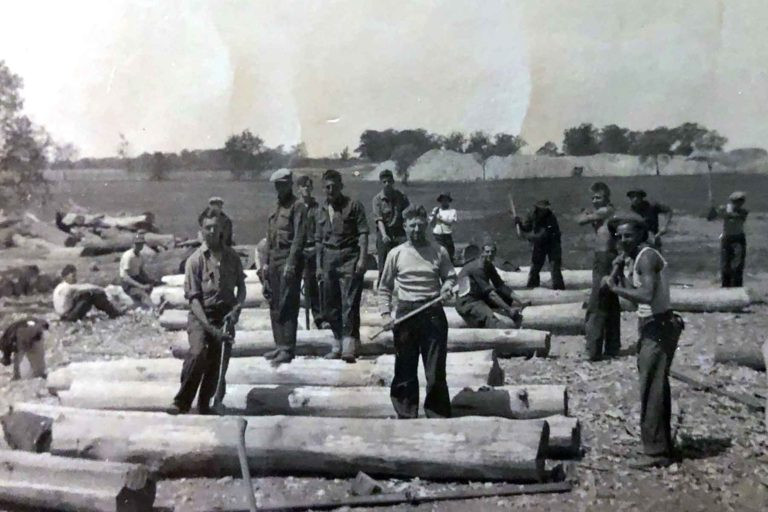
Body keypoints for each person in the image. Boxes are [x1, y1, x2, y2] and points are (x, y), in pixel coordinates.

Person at [603, 218, 684, 468]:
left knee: (651, 387)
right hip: (651, 325)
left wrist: (614, 289)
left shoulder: (647, 257)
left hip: (659, 326)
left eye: (628, 235)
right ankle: (662, 445)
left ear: (641, 234)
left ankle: (656, 452)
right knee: (656, 385)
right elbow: (636, 298)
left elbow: (647, 296)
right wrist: (619, 277)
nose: (623, 241)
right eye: (619, 236)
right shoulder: (636, 258)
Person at [379, 204, 457, 418]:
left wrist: (447, 287)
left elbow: (450, 276)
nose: (416, 230)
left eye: (420, 226)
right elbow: (384, 287)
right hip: (406, 314)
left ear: (426, 226)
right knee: (405, 368)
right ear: (404, 226)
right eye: (412, 226)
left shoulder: (438, 251)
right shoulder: (396, 253)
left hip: (432, 312)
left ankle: (438, 415)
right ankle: (406, 413)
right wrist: (386, 315)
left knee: (435, 371)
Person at [167, 212, 246, 415]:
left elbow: (242, 287)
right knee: (198, 352)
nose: (212, 231)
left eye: (215, 227)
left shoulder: (232, 257)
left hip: (224, 316)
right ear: (201, 231)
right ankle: (181, 402)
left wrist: (237, 309)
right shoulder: (194, 260)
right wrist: (210, 328)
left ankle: (206, 405)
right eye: (207, 227)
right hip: (200, 315)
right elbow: (193, 300)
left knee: (218, 362)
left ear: (222, 229)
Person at [316, 169, 369, 362]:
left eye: (334, 186)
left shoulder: (353, 206)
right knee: (330, 304)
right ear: (323, 188)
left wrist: (363, 258)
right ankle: (337, 341)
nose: (330, 190)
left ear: (341, 186)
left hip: (349, 256)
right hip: (329, 257)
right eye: (327, 187)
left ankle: (349, 345)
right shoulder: (320, 210)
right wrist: (319, 266)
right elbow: (318, 241)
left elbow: (363, 233)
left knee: (350, 302)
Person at [262, 169, 307, 366]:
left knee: (288, 302)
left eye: (282, 184)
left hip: (288, 258)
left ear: (289, 184)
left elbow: (299, 237)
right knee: (274, 301)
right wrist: (264, 263)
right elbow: (269, 236)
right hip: (273, 258)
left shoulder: (298, 207)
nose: (278, 188)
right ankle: (279, 344)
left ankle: (288, 347)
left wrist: (291, 262)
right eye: (276, 185)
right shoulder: (275, 207)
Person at [576, 182, 621, 361]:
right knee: (610, 301)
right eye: (593, 198)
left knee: (597, 302)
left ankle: (593, 350)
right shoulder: (602, 213)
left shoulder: (606, 211)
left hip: (604, 258)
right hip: (605, 257)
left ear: (607, 198)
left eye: (598, 197)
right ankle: (612, 346)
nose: (595, 201)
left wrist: (585, 213)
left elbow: (580, 220)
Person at [455, 239, 524, 328]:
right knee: (491, 320)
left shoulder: (488, 265)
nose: (490, 254)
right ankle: (509, 335)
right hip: (468, 302)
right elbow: (491, 294)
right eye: (487, 251)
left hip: (479, 295)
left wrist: (521, 300)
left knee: (506, 297)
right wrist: (509, 310)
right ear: (482, 252)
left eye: (492, 251)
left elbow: (500, 285)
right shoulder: (478, 268)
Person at [514, 199, 565, 289]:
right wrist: (519, 224)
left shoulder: (551, 218)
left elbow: (542, 235)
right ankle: (532, 287)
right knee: (535, 266)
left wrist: (526, 237)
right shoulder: (532, 215)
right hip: (540, 244)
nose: (543, 211)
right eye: (541, 209)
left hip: (553, 244)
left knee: (554, 268)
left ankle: (559, 289)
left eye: (544, 209)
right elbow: (527, 228)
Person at [296, 175, 325, 328]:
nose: (306, 189)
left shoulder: (317, 208)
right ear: (298, 189)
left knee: (314, 285)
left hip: (313, 248)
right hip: (298, 250)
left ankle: (318, 317)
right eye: (303, 186)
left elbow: (321, 229)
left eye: (308, 186)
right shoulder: (295, 207)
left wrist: (315, 248)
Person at [372, 169, 410, 285]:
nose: (387, 184)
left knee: (403, 258)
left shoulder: (401, 196)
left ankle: (404, 284)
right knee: (383, 261)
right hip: (384, 231)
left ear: (393, 181)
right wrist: (384, 235)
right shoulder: (377, 199)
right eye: (384, 182)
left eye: (389, 181)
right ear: (381, 183)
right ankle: (382, 285)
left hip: (399, 231)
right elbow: (379, 219)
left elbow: (407, 213)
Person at [53, 265, 123, 321]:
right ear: (65, 277)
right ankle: (113, 313)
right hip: (68, 317)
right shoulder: (68, 287)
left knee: (85, 294)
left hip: (63, 316)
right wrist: (103, 289)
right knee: (90, 294)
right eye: (73, 276)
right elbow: (86, 286)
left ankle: (112, 311)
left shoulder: (59, 287)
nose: (75, 278)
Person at [709, 191, 748, 288]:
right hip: (727, 238)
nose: (739, 203)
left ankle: (737, 286)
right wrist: (713, 210)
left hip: (738, 238)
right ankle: (725, 286)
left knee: (737, 265)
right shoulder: (725, 209)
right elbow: (710, 218)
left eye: (741, 201)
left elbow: (738, 217)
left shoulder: (743, 211)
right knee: (725, 264)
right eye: (737, 201)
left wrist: (724, 213)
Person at [119, 232, 158, 308]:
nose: (139, 246)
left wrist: (149, 280)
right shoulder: (128, 256)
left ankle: (143, 305)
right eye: (137, 244)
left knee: (151, 286)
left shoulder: (140, 256)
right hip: (127, 282)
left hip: (136, 277)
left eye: (141, 244)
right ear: (133, 244)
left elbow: (140, 271)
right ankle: (154, 309)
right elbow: (125, 277)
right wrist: (141, 286)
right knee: (141, 293)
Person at [429, 193, 457, 262]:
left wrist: (441, 219)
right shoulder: (436, 210)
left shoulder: (452, 211)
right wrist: (434, 216)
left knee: (450, 250)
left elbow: (450, 221)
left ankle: (450, 261)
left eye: (446, 200)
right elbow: (431, 223)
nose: (444, 202)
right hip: (437, 234)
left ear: (448, 201)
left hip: (447, 234)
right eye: (442, 200)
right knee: (439, 250)